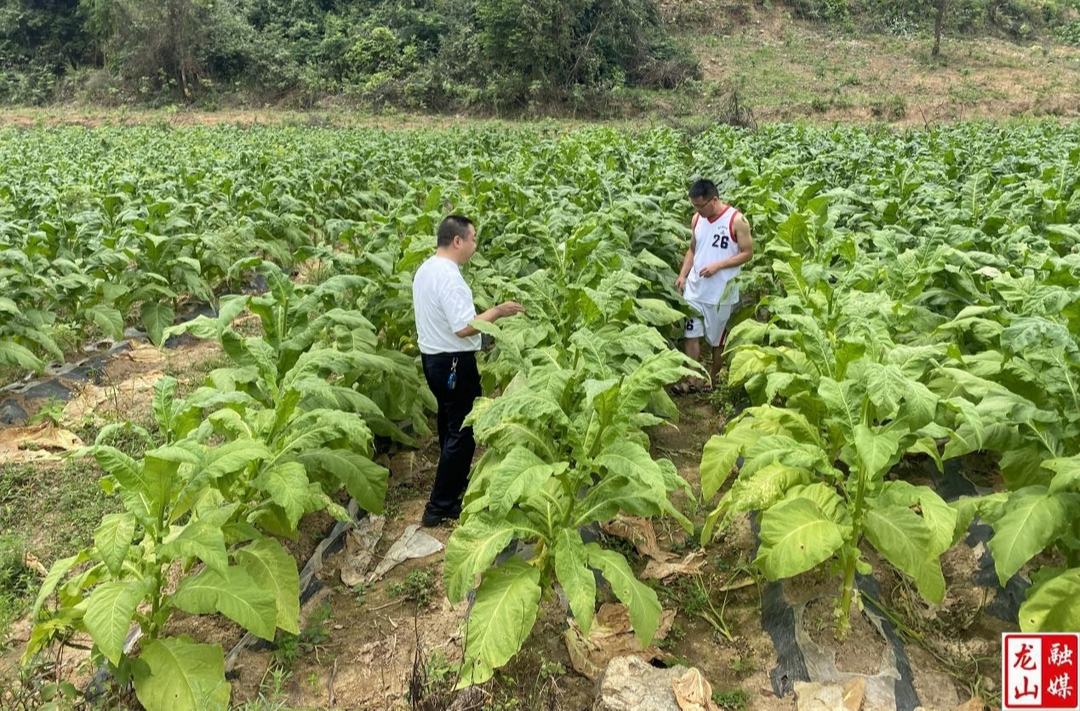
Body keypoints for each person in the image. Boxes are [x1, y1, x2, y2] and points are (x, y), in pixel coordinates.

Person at [412, 215, 524, 527]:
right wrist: (499, 312)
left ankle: (452, 484)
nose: (475, 245)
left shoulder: (427, 269)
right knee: (462, 432)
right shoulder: (448, 276)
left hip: (433, 360)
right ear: (458, 241)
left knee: (451, 426)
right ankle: (441, 506)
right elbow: (463, 327)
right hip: (453, 364)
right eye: (473, 238)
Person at [674, 179, 754, 393]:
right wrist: (683, 275)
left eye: (701, 206)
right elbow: (692, 250)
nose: (698, 210)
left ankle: (712, 380)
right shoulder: (696, 219)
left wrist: (719, 265)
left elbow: (748, 253)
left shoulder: (737, 220)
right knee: (691, 335)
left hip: (720, 294)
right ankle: (692, 381)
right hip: (695, 289)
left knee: (716, 341)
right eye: (694, 206)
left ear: (714, 199)